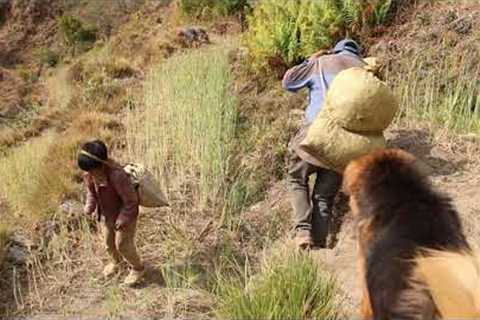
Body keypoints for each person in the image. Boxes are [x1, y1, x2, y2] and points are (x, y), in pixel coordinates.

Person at [283, 39, 366, 249]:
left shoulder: (322, 62)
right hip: (344, 143)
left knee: (296, 179)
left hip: (314, 134)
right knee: (323, 196)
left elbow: (288, 82)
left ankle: (302, 232)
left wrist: (311, 60)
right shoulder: (364, 71)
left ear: (336, 50)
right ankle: (318, 246)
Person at [78, 139, 145, 286]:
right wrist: (89, 206)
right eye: (87, 170)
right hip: (107, 216)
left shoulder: (117, 176)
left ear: (101, 165)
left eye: (91, 170)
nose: (89, 173)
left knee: (123, 244)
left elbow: (131, 201)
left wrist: (123, 218)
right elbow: (91, 192)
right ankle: (116, 262)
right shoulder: (89, 175)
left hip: (125, 217)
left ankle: (137, 268)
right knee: (108, 243)